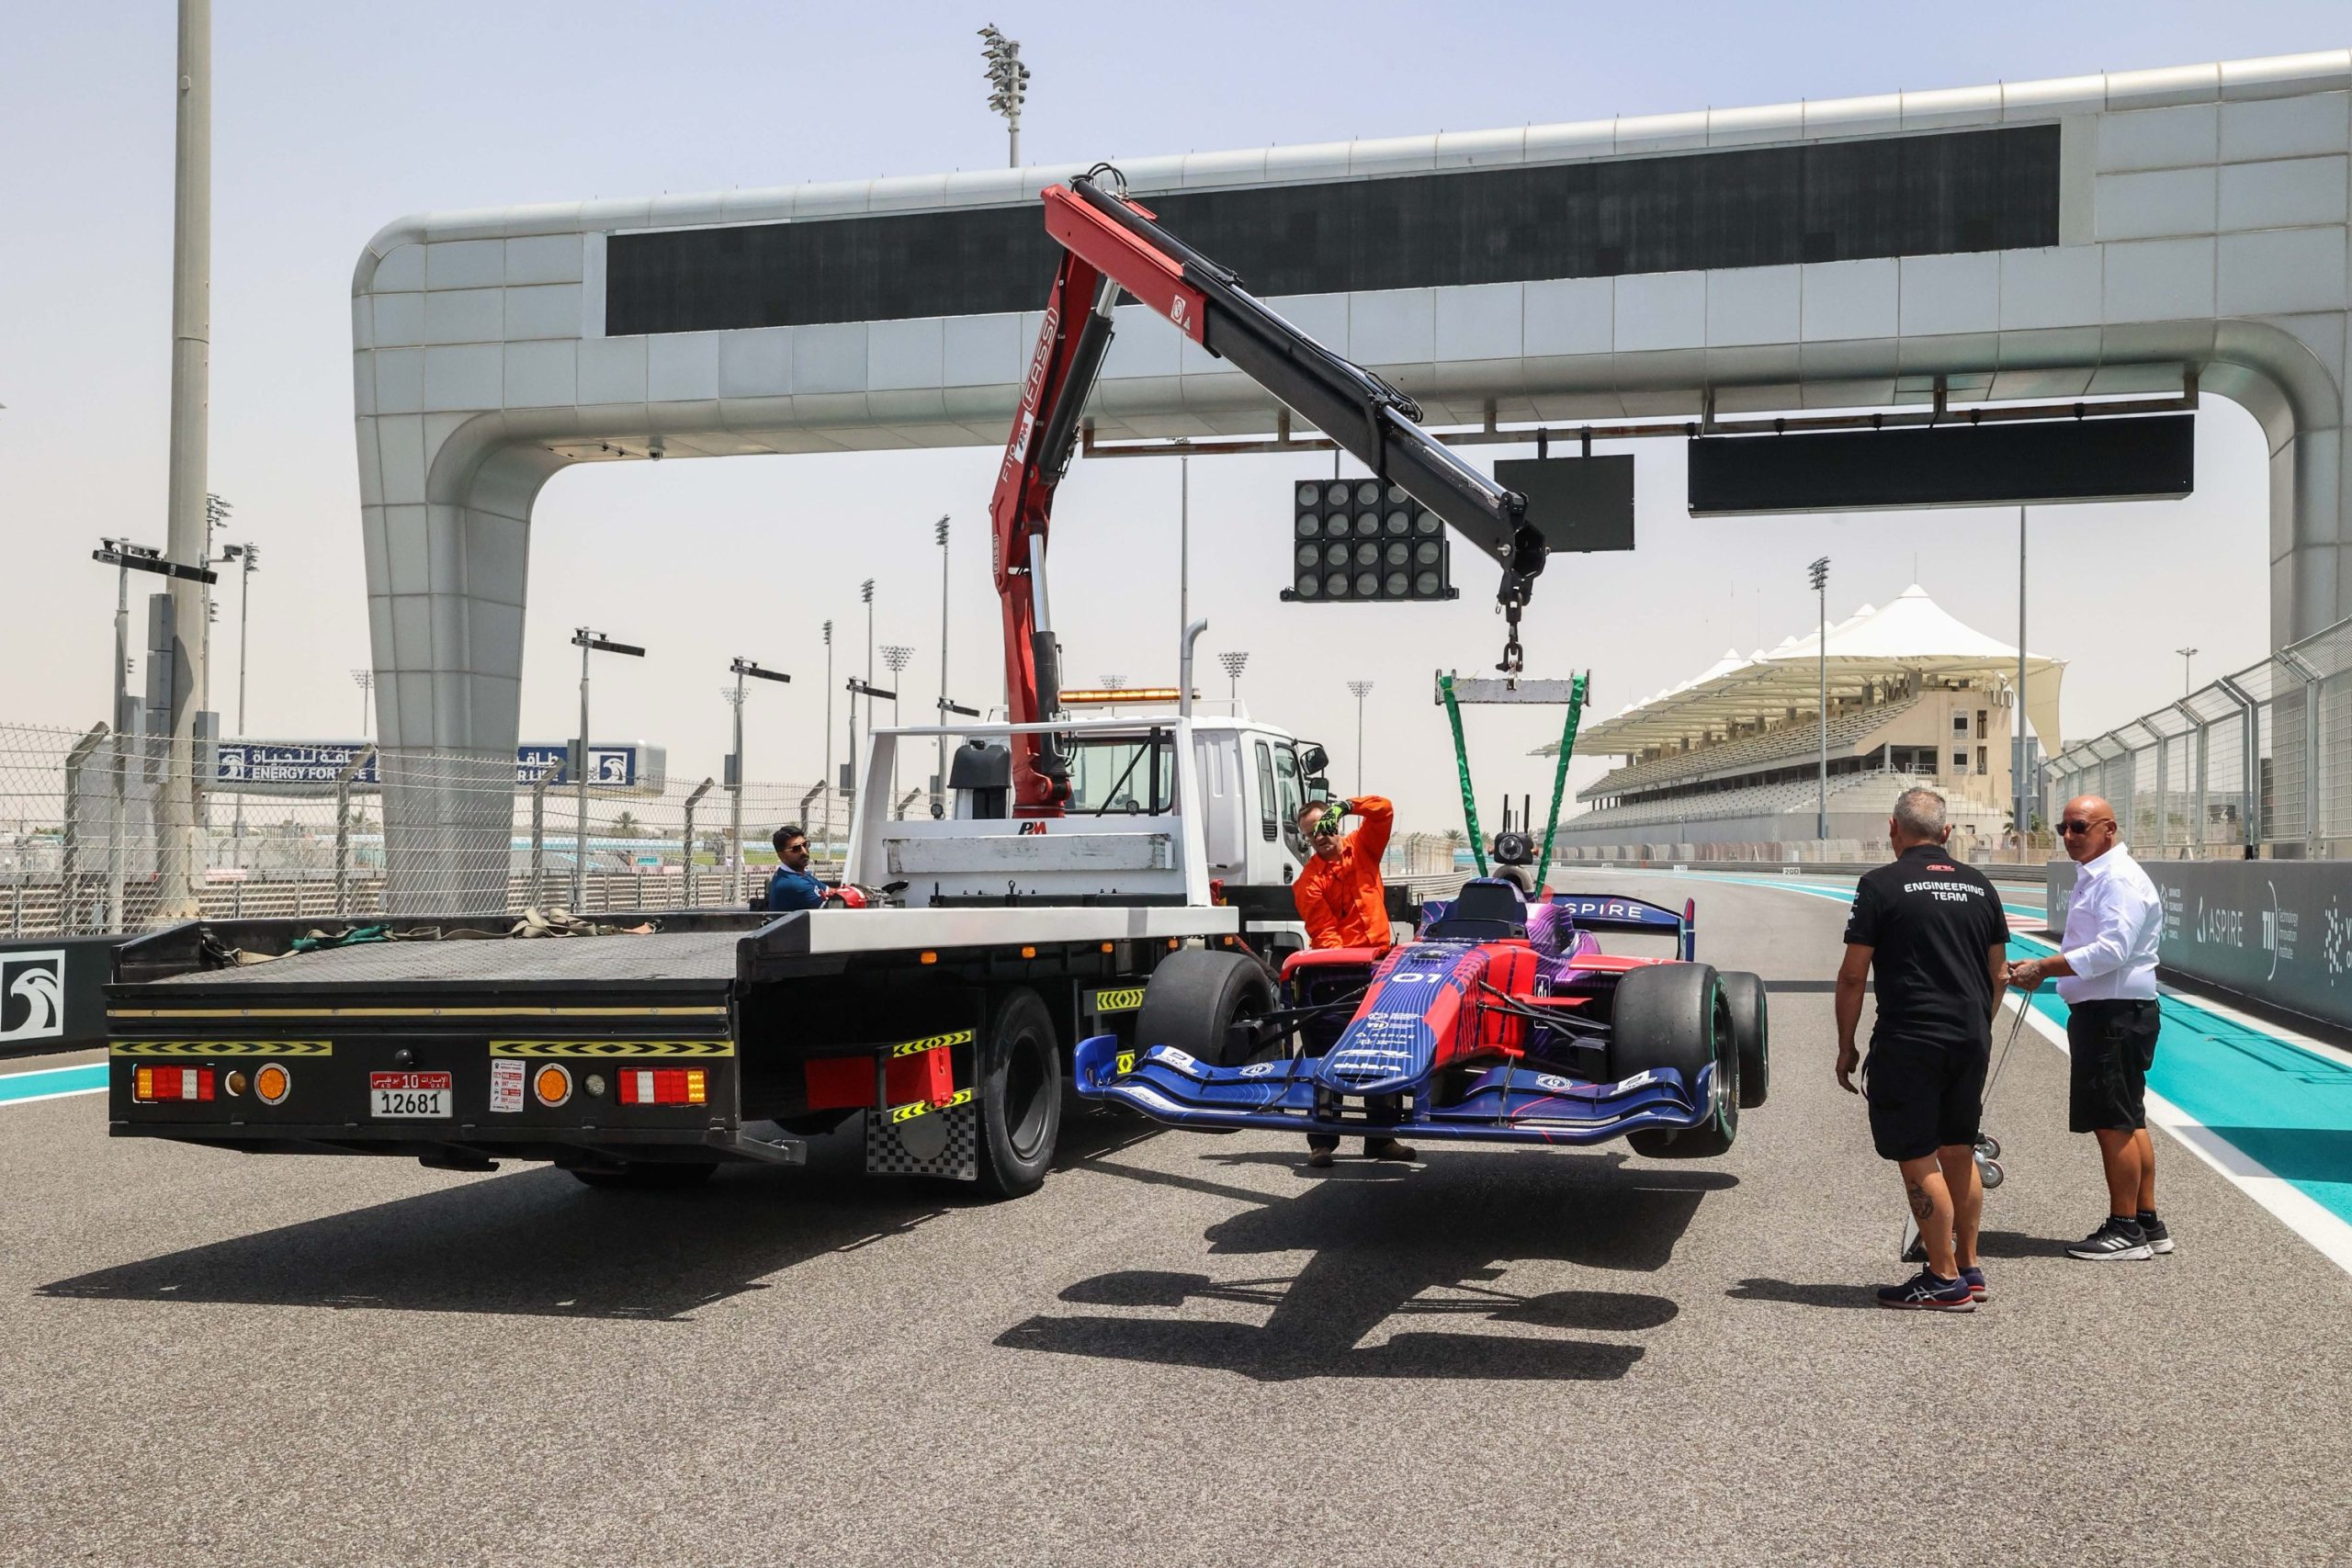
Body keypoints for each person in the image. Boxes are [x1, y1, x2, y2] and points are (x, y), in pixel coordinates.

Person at [1835, 786, 2011, 1312]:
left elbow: (1851, 976)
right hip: (1970, 1036)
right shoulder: (1980, 886)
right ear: (1948, 834)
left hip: (1910, 1039)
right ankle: (1969, 1266)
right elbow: (1998, 973)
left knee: (1916, 1156)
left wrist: (1846, 1044)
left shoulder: (1880, 884)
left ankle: (1941, 1277)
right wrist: (1978, 1023)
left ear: (1894, 829)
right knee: (1959, 1150)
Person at [2009, 794, 2169, 1261]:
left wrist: (2044, 966)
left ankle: (2124, 1229)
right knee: (2128, 1116)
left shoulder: (2116, 879)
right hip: (2114, 1009)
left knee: (2112, 1121)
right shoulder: (2099, 874)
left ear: (2109, 829)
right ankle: (2146, 1221)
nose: (2068, 837)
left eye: (2079, 826)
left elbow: (2110, 951)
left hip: (2113, 1012)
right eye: (2063, 828)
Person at [1291, 795, 1414, 1169]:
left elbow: (1385, 810)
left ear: (1336, 824)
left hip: (1379, 969)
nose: (1321, 837)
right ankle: (1322, 1142)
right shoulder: (1308, 883)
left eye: (1325, 827)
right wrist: (1353, 964)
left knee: (1384, 1054)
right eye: (1313, 834)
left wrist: (1345, 805)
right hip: (1337, 974)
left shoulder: (1363, 847)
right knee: (1326, 1056)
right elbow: (1325, 935)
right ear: (1307, 840)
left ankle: (1380, 1139)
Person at [765, 825, 828, 912]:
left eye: (805, 845)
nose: (804, 851)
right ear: (781, 855)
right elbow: (833, 910)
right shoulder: (794, 883)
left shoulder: (800, 873)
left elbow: (830, 891)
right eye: (796, 848)